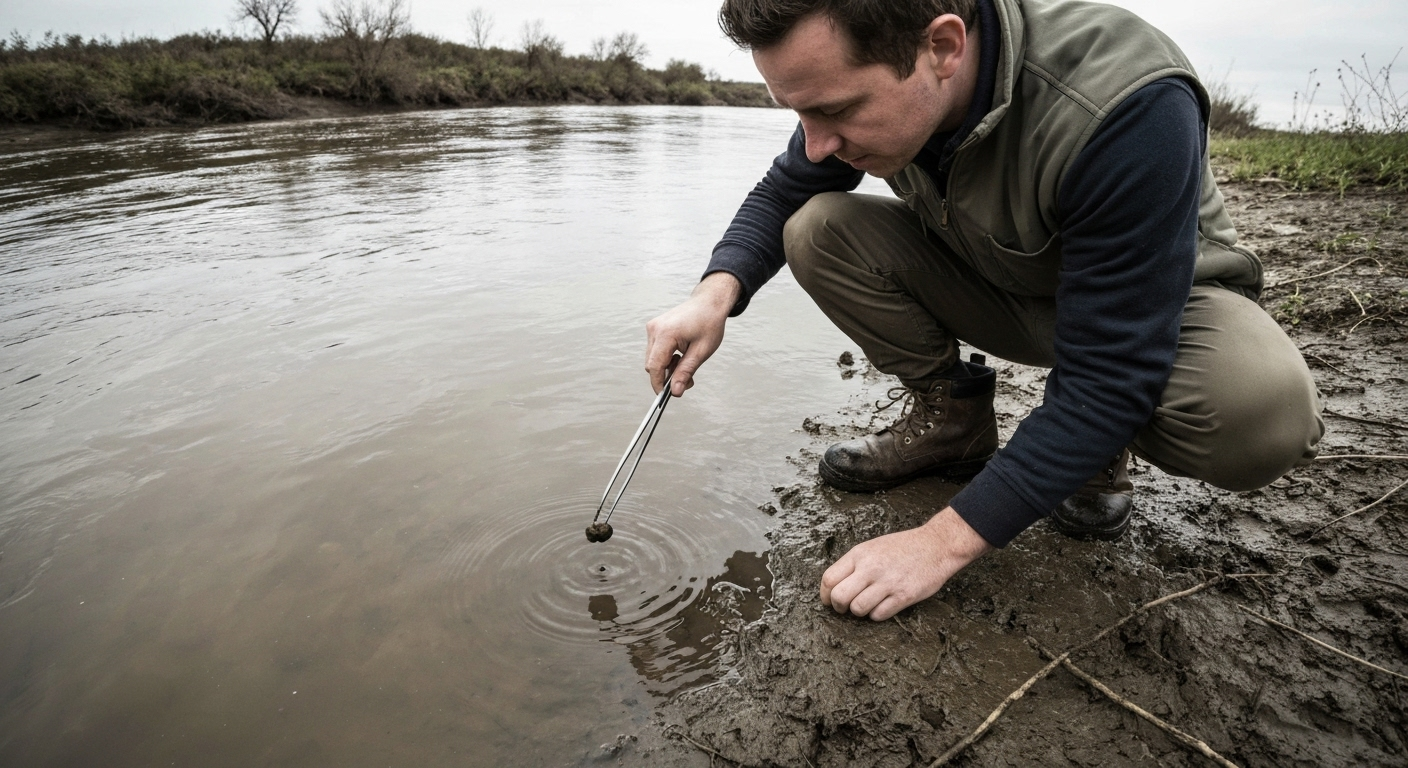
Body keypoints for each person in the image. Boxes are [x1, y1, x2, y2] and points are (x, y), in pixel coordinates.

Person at [643, 0, 1323, 622]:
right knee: (814, 226)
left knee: (1258, 411)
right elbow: (789, 187)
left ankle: (1096, 444)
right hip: (1009, 277)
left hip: (1150, 311)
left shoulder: (1129, 101)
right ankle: (953, 421)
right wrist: (712, 297)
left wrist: (938, 543)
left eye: (838, 111)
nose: (817, 142)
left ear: (942, 46)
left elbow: (1113, 367)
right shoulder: (878, 82)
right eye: (799, 114)